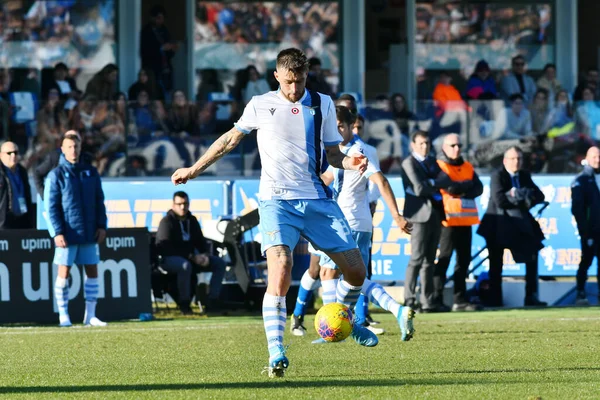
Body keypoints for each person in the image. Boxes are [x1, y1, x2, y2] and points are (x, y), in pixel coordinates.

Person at [171, 48, 415, 378]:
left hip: (317, 200)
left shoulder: (323, 103)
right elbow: (230, 140)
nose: (294, 89)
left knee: (356, 272)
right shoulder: (260, 104)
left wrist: (348, 162)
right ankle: (276, 352)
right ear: (277, 76)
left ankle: (346, 317)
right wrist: (194, 169)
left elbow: (331, 153)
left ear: (306, 76)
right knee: (282, 268)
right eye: (288, 82)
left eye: (299, 81)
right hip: (276, 201)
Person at [290, 106, 413, 340]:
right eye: (333, 127)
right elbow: (328, 178)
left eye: (340, 126)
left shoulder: (358, 151)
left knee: (327, 273)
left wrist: (396, 216)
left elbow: (381, 181)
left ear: (349, 126)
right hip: (356, 223)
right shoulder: (341, 153)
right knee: (355, 278)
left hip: (349, 223)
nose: (336, 131)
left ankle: (332, 331)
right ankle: (398, 310)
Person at [45, 132, 108, 327]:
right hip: (68, 233)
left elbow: (99, 201)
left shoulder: (90, 172)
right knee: (64, 273)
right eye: (69, 147)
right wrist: (57, 231)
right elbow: (51, 206)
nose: (73, 150)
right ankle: (63, 315)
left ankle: (90, 315)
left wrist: (102, 225)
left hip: (89, 231)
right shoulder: (56, 175)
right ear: (62, 149)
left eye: (76, 147)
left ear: (80, 149)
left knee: (92, 270)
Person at [477, 146, 547, 307]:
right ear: (505, 160)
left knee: (532, 256)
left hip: (520, 225)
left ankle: (531, 297)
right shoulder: (497, 175)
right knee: (496, 265)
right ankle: (495, 300)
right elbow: (499, 200)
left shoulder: (524, 175)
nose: (516, 162)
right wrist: (521, 196)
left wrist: (518, 194)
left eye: (519, 159)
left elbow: (538, 195)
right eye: (513, 159)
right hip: (497, 226)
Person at [400, 131, 451, 312]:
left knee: (429, 260)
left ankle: (427, 301)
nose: (425, 146)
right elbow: (419, 188)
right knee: (416, 258)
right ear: (413, 145)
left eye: (427, 143)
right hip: (418, 216)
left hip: (435, 214)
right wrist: (434, 182)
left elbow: (447, 179)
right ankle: (409, 299)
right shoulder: (408, 162)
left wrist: (430, 181)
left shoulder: (431, 161)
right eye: (421, 143)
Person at [433, 134, 483, 312]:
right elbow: (449, 187)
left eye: (459, 145)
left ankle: (459, 300)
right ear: (444, 147)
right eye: (453, 145)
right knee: (444, 260)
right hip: (448, 221)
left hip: (466, 221)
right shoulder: (440, 166)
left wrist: (461, 189)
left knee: (463, 262)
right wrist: (465, 186)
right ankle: (436, 298)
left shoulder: (467, 166)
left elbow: (479, 188)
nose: (457, 148)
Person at [155, 191, 226, 314]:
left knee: (219, 263)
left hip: (193, 258)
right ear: (173, 205)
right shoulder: (166, 222)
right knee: (184, 266)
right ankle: (184, 303)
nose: (183, 207)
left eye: (186, 203)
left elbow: (201, 241)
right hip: (169, 259)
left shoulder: (192, 220)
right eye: (179, 204)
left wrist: (205, 255)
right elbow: (165, 247)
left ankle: (212, 300)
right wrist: (192, 257)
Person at [571, 146, 600, 305]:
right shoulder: (581, 180)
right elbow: (577, 208)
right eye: (594, 156)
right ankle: (580, 293)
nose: (597, 160)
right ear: (587, 158)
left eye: (599, 156)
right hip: (591, 231)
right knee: (586, 261)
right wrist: (585, 230)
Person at [33, 130, 92, 199]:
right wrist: (45, 196)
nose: (73, 148)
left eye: (75, 140)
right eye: (70, 145)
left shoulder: (86, 158)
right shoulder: (55, 158)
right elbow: (37, 173)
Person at [140, 5, 178, 99]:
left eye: (162, 18)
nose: (160, 21)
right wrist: (160, 48)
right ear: (152, 18)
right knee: (155, 92)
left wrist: (171, 48)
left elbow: (169, 48)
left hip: (166, 69)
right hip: (153, 69)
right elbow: (145, 51)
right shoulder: (146, 32)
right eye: (158, 18)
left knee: (168, 93)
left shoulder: (164, 30)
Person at [0, 141, 34, 229]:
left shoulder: (22, 171)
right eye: (9, 153)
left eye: (15, 152)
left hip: (22, 220)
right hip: (4, 222)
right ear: (1, 155)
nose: (13, 156)